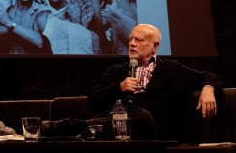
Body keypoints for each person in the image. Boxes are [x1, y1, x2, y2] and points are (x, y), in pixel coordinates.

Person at [87, 23, 222, 140]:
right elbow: (92, 100)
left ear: (155, 46)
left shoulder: (170, 69)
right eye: (131, 39)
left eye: (139, 40)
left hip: (152, 129)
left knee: (142, 117)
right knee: (106, 120)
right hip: (117, 127)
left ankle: (88, 128)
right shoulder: (116, 71)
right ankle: (81, 127)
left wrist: (208, 89)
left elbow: (209, 76)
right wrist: (119, 87)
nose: (132, 44)